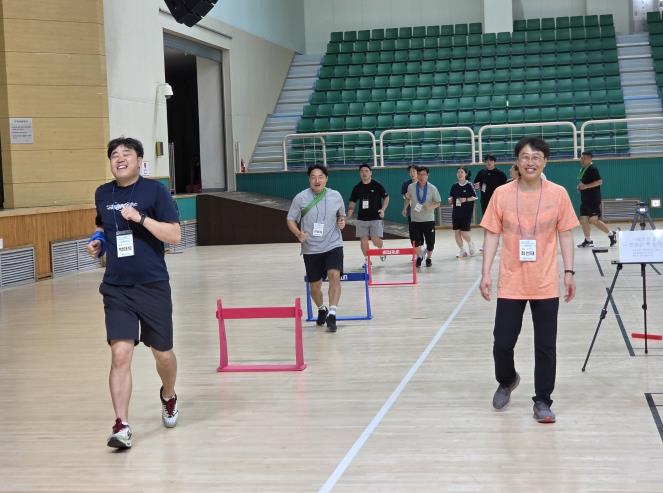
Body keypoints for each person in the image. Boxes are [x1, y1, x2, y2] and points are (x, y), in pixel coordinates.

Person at [86, 137, 182, 449]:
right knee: (120, 353)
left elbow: (175, 235)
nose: (120, 158)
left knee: (163, 354)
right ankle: (122, 425)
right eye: (114, 154)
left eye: (126, 153)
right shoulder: (103, 193)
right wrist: (98, 241)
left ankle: (168, 394)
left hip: (152, 285)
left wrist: (140, 218)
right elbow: (103, 225)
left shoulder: (155, 191)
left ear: (140, 160)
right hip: (116, 287)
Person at [479, 137, 579, 424]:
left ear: (545, 161)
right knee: (502, 342)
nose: (530, 162)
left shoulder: (558, 194)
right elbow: (492, 234)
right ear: (517, 162)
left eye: (536, 157)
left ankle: (543, 400)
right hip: (511, 281)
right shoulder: (501, 194)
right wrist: (485, 273)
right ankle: (507, 379)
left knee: (546, 345)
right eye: (525, 157)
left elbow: (565, 234)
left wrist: (569, 272)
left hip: (545, 282)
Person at [287, 164, 346, 332]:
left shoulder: (336, 196)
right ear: (309, 179)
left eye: (320, 177)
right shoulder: (300, 198)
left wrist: (342, 221)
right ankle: (322, 308)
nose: (317, 180)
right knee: (314, 287)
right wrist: (298, 233)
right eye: (313, 177)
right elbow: (290, 219)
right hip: (311, 248)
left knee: (334, 275)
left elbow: (341, 215)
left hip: (333, 244)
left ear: (326, 179)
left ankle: (332, 314)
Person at [347, 163, 389, 263]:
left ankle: (381, 247)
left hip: (376, 218)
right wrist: (350, 211)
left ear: (371, 173)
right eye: (362, 171)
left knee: (375, 240)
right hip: (362, 218)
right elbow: (352, 201)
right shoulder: (357, 187)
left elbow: (386, 197)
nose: (364, 173)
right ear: (359, 174)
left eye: (366, 171)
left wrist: (383, 209)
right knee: (363, 241)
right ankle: (367, 260)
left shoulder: (377, 185)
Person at [576, 151, 617, 248]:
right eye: (581, 158)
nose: (582, 160)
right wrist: (579, 186)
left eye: (584, 158)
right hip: (585, 199)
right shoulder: (584, 169)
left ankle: (611, 234)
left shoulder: (593, 169)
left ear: (590, 159)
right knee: (583, 219)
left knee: (593, 220)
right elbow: (584, 182)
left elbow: (599, 182)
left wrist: (586, 186)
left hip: (593, 199)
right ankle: (588, 240)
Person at [404, 166, 442, 267]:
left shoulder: (432, 188)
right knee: (415, 241)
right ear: (417, 175)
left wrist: (430, 207)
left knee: (430, 243)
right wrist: (405, 208)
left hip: (428, 219)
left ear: (427, 175)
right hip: (415, 219)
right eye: (419, 174)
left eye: (424, 174)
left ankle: (429, 258)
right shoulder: (411, 187)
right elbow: (407, 198)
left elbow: (438, 202)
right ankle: (419, 256)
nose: (421, 177)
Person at [448, 166, 478, 258]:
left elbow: (475, 197)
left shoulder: (469, 185)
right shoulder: (454, 186)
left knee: (464, 232)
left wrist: (466, 199)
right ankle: (462, 251)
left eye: (462, 172)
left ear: (466, 174)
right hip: (456, 212)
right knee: (457, 232)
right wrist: (450, 199)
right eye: (458, 172)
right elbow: (451, 196)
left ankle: (470, 243)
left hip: (466, 212)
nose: (460, 174)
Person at [401, 165, 421, 255]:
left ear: (418, 173)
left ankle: (421, 247)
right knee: (412, 231)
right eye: (410, 172)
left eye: (414, 171)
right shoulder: (406, 184)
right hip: (411, 210)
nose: (412, 173)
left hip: (422, 210)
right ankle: (415, 250)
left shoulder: (422, 182)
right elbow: (405, 197)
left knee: (421, 230)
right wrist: (405, 208)